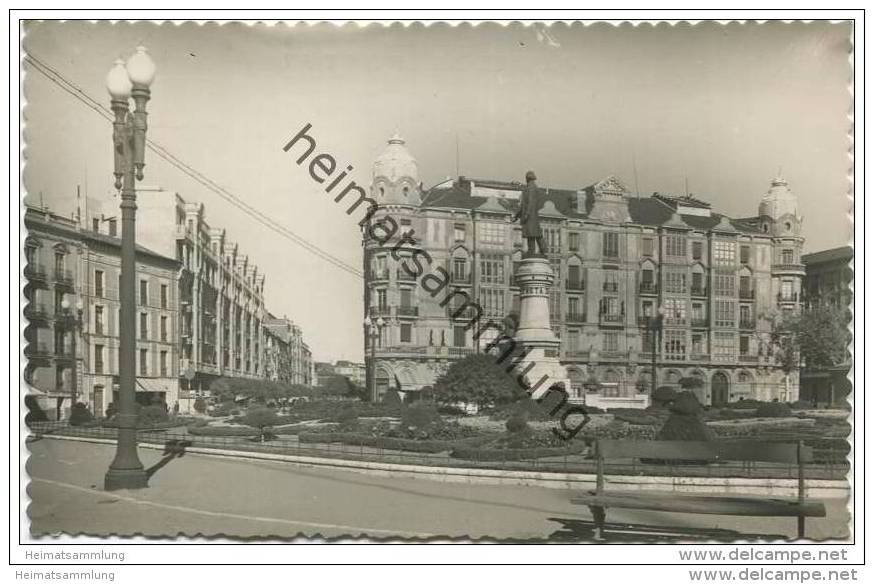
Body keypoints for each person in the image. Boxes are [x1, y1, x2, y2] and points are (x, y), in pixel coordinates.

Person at [512, 170, 546, 256]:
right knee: (533, 233)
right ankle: (538, 250)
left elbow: (530, 202)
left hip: (531, 216)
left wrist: (527, 214)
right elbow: (524, 205)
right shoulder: (528, 188)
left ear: (528, 178)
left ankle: (537, 250)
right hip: (531, 215)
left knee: (532, 233)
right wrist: (517, 216)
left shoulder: (531, 188)